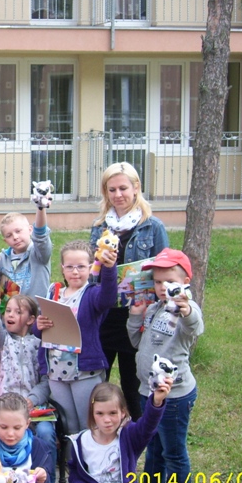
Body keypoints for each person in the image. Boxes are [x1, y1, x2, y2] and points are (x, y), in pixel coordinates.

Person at [128, 249, 203, 483]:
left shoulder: (184, 308)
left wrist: (186, 309)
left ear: (185, 282)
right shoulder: (154, 308)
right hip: (148, 392)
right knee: (154, 450)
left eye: (169, 281)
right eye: (158, 281)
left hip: (174, 396)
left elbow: (194, 327)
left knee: (173, 452)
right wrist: (135, 317)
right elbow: (137, 343)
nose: (162, 287)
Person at [90, 162, 168, 420]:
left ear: (136, 188)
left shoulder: (152, 226)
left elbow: (164, 270)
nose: (117, 195)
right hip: (105, 315)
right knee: (97, 380)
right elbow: (91, 273)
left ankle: (139, 431)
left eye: (123, 188)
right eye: (111, 189)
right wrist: (98, 265)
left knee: (132, 383)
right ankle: (100, 430)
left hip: (137, 316)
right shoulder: (100, 226)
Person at [0, 266, 56, 483]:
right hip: (6, 411)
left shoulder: (40, 344)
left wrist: (32, 399)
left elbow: (46, 379)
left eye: (17, 312)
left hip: (35, 410)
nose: (10, 315)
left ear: (31, 319)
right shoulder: (3, 341)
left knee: (46, 433)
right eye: (8, 311)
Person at [35, 240, 118, 434]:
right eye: (70, 267)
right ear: (62, 268)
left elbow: (108, 298)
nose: (75, 272)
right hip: (56, 371)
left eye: (81, 266)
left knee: (88, 423)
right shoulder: (54, 292)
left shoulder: (92, 293)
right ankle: (71, 454)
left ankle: (88, 454)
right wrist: (38, 326)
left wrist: (109, 268)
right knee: (68, 425)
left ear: (90, 267)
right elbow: (42, 331)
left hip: (84, 372)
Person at [67, 379, 173, 483]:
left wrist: (156, 402)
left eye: (112, 413)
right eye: (100, 413)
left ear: (122, 412)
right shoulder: (81, 441)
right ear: (92, 413)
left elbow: (147, 426)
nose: (107, 420)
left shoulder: (129, 436)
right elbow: (75, 470)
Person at [0, 209, 52, 306]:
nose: (15, 237)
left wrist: (41, 208)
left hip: (36, 312)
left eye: (18, 231)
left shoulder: (39, 253)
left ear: (30, 230)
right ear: (5, 240)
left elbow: (41, 236)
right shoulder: (1, 259)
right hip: (12, 313)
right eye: (9, 235)